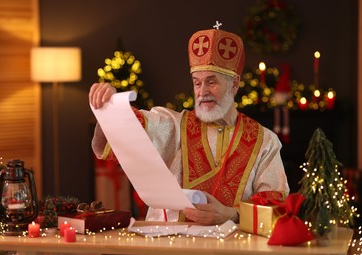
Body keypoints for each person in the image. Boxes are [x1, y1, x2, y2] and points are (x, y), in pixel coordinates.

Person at [89, 28, 289, 225]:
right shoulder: (174, 125)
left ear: (234, 84)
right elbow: (128, 130)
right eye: (197, 83)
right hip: (171, 250)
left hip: (233, 252)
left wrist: (231, 214)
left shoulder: (264, 141)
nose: (202, 92)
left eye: (211, 82)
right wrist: (110, 105)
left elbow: (275, 211)